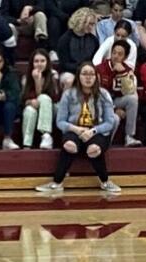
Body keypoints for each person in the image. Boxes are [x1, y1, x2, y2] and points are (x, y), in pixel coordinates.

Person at [35, 61, 121, 194]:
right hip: (74, 131)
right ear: (78, 76)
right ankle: (57, 182)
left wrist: (92, 131)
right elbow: (60, 122)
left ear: (96, 77)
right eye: (84, 74)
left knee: (94, 149)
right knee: (69, 145)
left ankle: (105, 181)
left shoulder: (103, 94)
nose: (88, 77)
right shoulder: (69, 94)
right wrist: (76, 129)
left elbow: (110, 122)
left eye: (91, 74)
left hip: (96, 132)